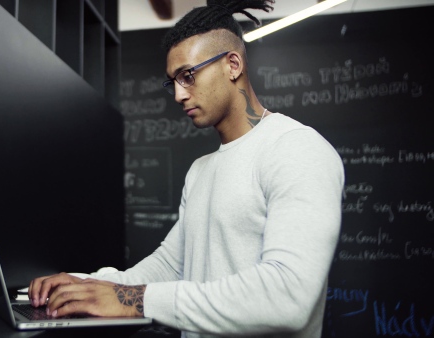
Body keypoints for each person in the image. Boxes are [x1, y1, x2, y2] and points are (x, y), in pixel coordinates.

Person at [28, 0, 345, 337]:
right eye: (173, 81)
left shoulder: (297, 149)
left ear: (232, 64)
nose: (179, 94)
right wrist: (84, 285)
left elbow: (287, 297)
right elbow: (172, 265)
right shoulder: (200, 170)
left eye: (188, 76)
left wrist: (131, 299)